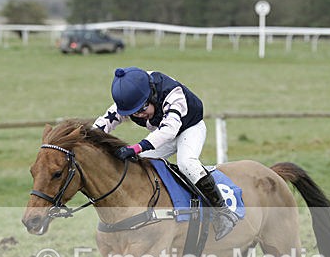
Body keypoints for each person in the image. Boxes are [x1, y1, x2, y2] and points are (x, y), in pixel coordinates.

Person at [94, 67, 238, 240]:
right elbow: (105, 122)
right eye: (134, 113)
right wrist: (87, 138)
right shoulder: (132, 97)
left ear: (152, 95)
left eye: (142, 109)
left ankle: (223, 212)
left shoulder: (172, 94)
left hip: (189, 128)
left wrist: (136, 147)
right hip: (162, 134)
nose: (141, 116)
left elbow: (169, 130)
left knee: (187, 163)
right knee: (140, 166)